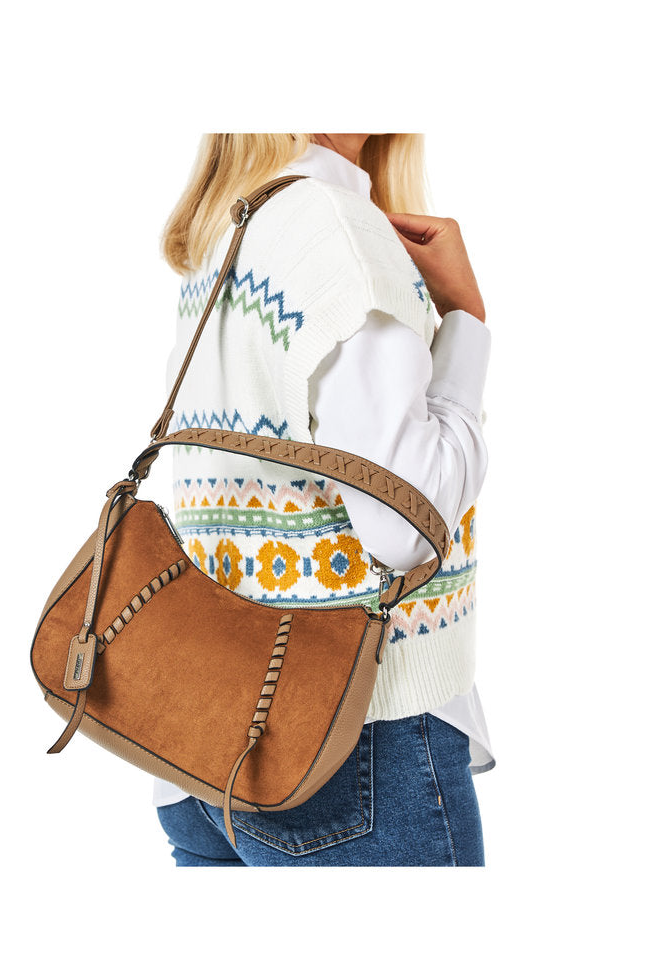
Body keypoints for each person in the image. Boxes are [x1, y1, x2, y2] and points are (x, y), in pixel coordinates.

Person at [153, 133, 493, 866]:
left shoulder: (230, 225)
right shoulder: (334, 226)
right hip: (350, 747)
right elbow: (407, 527)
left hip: (200, 743)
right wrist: (466, 320)